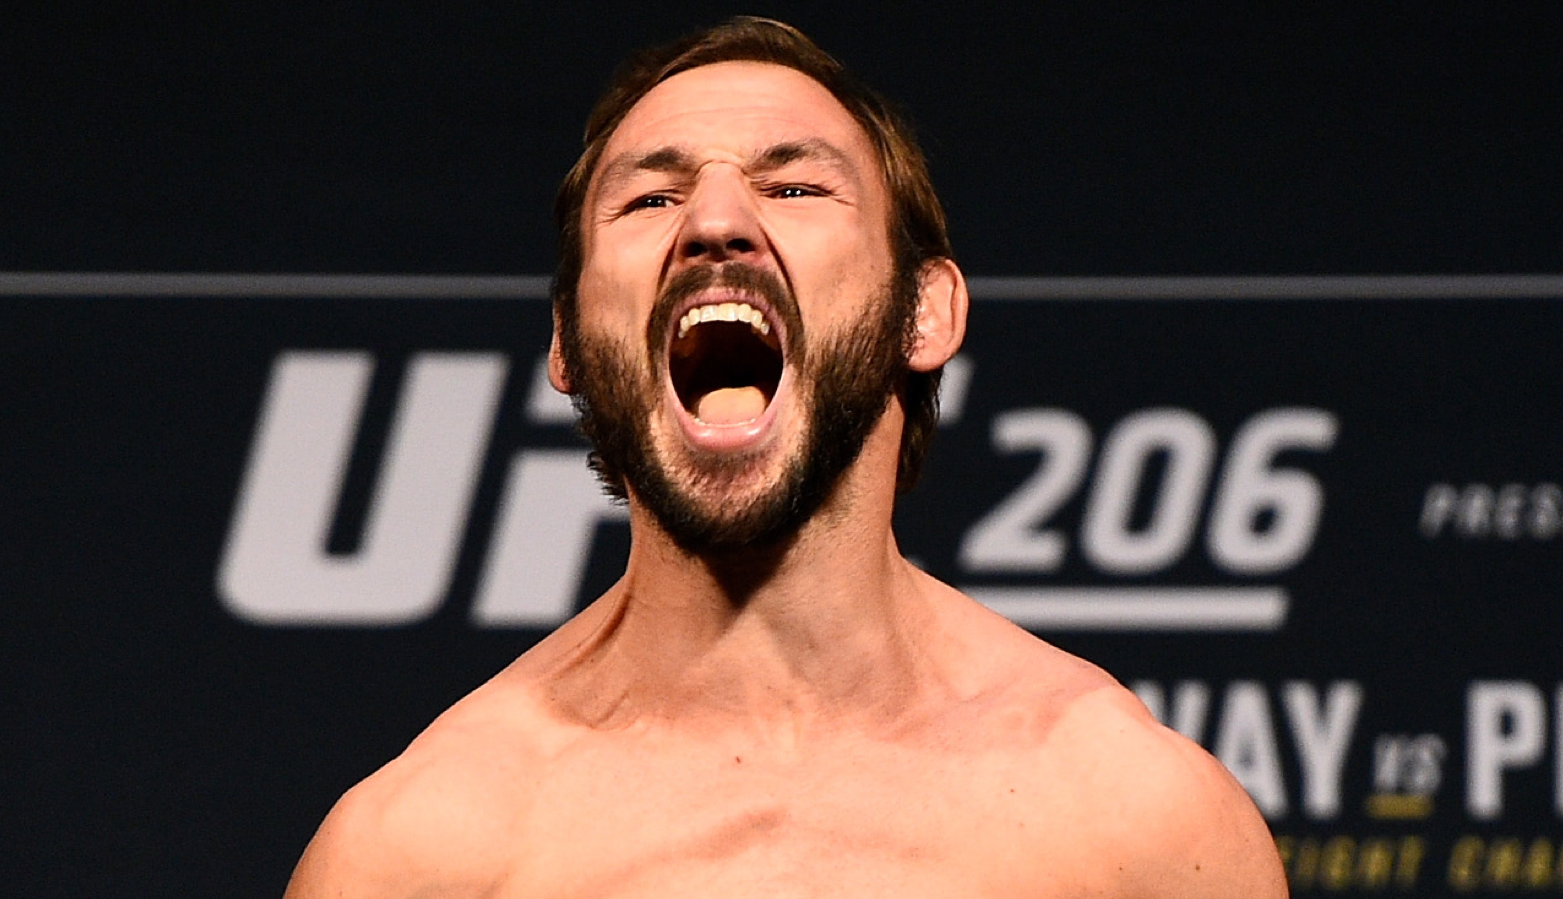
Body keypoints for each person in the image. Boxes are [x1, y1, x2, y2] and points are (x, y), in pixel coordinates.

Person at [284, 17, 1287, 897]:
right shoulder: (419, 852)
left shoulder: (1137, 823)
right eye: (651, 199)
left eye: (796, 185)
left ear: (925, 312)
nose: (715, 222)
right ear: (568, 342)